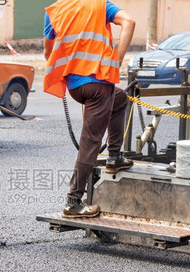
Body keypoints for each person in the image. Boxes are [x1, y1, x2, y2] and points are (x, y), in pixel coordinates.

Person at [43, 0, 135, 218]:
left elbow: (49, 54)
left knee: (120, 98)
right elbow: (129, 22)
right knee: (90, 142)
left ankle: (114, 156)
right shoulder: (100, 5)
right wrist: (118, 59)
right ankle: (73, 202)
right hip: (98, 85)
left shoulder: (54, 11)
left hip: (76, 87)